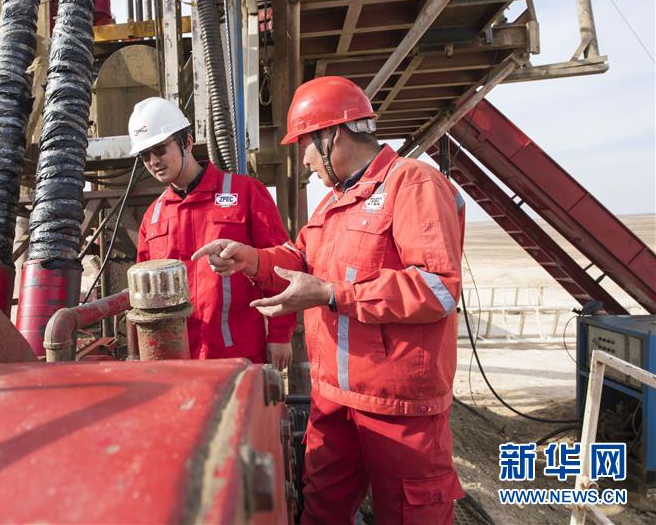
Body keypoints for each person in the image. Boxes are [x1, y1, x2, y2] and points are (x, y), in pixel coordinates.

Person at [192, 76, 466, 523]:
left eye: (305, 144)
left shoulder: (413, 184)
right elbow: (301, 257)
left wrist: (332, 294)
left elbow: (437, 288)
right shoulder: (335, 202)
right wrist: (252, 259)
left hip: (397, 407)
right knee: (320, 512)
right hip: (333, 400)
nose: (303, 159)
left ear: (333, 135)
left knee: (410, 515)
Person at [130, 97, 295, 370]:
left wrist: (280, 335)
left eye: (159, 149)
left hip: (238, 354)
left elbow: (280, 266)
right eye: (144, 155)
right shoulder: (153, 217)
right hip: (178, 360)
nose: (153, 161)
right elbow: (144, 297)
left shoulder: (245, 192)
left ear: (186, 142)